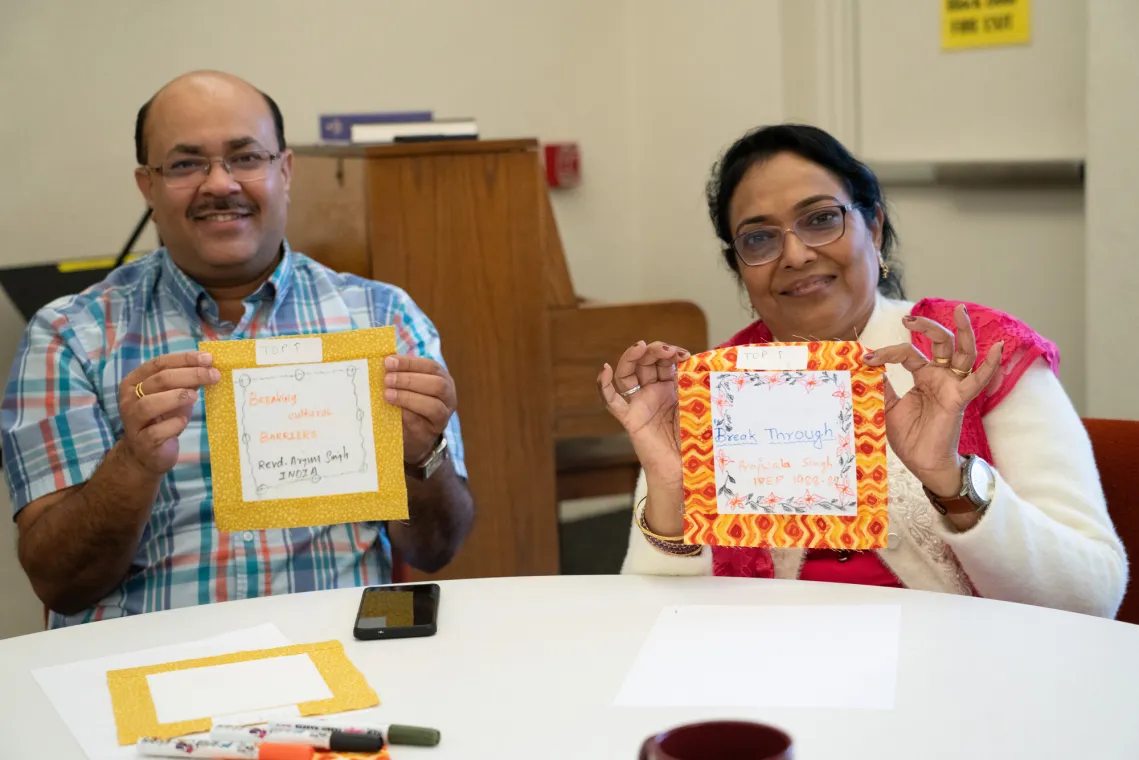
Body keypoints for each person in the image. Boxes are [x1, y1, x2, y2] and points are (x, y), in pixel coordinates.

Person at [2, 71, 475, 628]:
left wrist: (421, 458)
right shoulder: (69, 335)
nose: (220, 184)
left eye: (246, 157)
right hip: (144, 667)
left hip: (337, 651)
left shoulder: (382, 317)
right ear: (146, 187)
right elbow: (60, 582)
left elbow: (436, 548)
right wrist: (132, 464)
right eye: (184, 164)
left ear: (286, 170)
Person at [599, 124, 1127, 618]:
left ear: (873, 227)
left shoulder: (981, 354)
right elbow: (654, 620)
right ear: (739, 265)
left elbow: (1091, 597)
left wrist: (949, 480)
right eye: (759, 238)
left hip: (960, 670)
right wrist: (671, 485)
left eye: (821, 218)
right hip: (769, 671)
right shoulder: (718, 387)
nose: (797, 254)